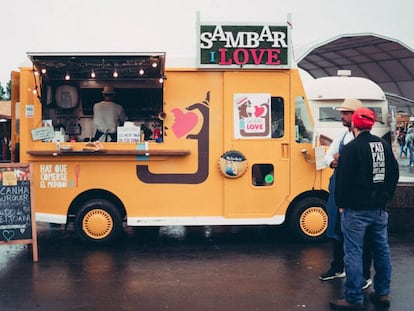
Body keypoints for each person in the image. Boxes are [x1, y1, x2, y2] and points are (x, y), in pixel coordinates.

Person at [330, 107, 399, 310]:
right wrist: (386, 196)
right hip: (379, 209)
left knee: (353, 252)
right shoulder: (383, 146)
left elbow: (342, 179)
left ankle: (353, 297)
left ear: (354, 124)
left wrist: (341, 204)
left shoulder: (352, 148)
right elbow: (393, 173)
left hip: (355, 211)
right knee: (382, 251)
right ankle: (382, 293)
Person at [319, 99, 373, 291]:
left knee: (360, 235)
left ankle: (364, 275)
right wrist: (332, 162)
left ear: (357, 114)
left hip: (354, 190)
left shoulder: (364, 139)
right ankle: (337, 267)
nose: (342, 116)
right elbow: (328, 155)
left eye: (346, 113)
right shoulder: (341, 135)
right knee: (335, 229)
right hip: (337, 187)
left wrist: (342, 160)